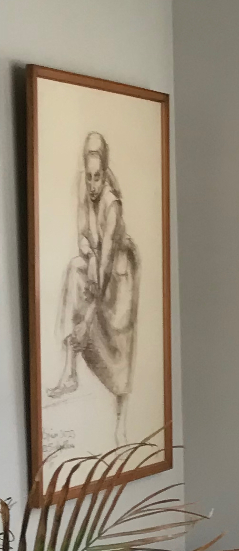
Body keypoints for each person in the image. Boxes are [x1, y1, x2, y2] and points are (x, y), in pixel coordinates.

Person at [47, 131, 140, 442]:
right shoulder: (83, 191)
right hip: (98, 265)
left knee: (120, 352)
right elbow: (82, 236)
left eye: (97, 177)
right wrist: (85, 248)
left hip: (118, 276)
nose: (92, 184)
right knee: (74, 268)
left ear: (105, 172)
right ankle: (69, 372)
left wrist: (87, 319)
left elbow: (105, 267)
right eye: (88, 177)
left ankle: (121, 426)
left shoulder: (113, 205)